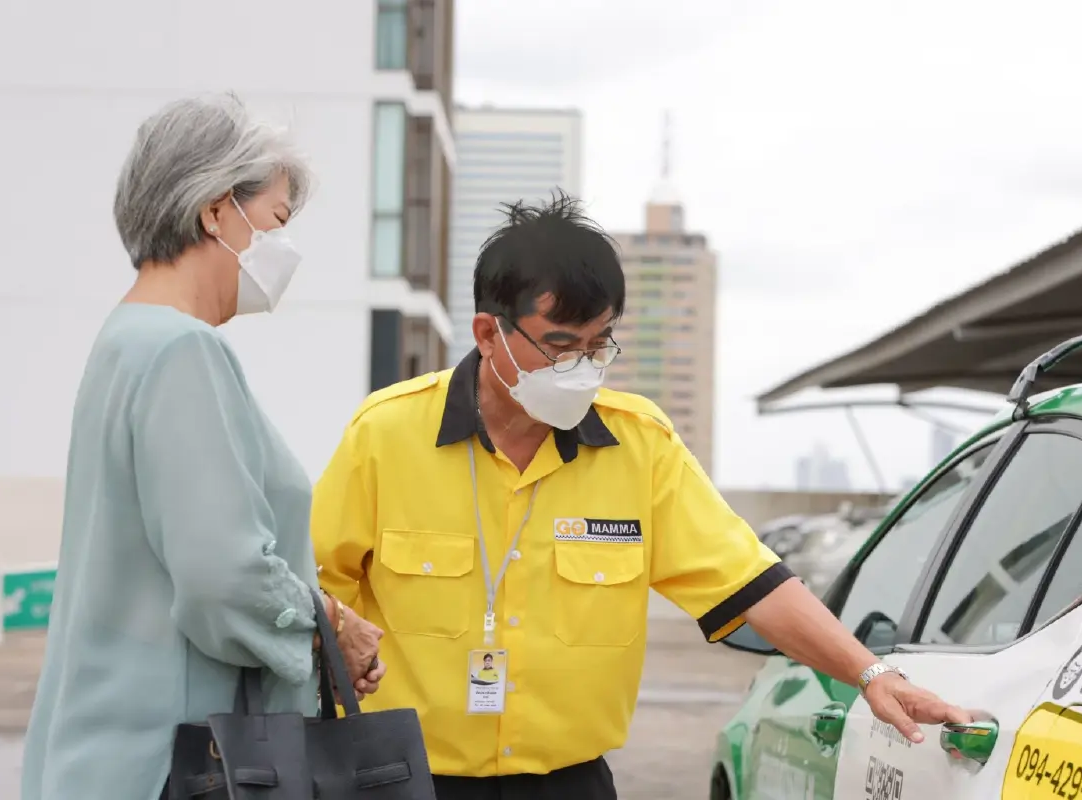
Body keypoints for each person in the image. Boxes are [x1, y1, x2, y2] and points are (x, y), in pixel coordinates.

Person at [312, 194, 970, 799]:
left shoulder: (640, 447)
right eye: (561, 346)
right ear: (489, 335)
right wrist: (339, 627)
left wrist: (872, 675)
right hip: (401, 778)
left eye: (600, 345)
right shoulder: (388, 434)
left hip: (567, 784)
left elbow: (754, 584)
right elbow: (306, 581)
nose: (584, 368)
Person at [21, 93, 385, 800]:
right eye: (277, 221)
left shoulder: (125, 340)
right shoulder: (182, 351)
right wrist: (329, 626)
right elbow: (223, 575)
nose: (284, 249)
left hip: (105, 748)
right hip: (175, 761)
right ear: (215, 211)